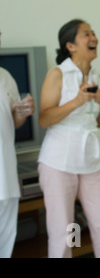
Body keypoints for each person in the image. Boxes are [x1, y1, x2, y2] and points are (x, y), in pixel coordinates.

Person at [37, 19, 100, 258]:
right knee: (62, 232)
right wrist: (76, 102)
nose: (94, 38)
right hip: (58, 162)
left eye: (94, 33)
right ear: (70, 45)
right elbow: (44, 119)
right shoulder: (57, 75)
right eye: (86, 34)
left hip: (91, 161)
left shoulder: (98, 78)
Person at [0, 31, 35, 257]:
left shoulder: (5, 76)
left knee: (5, 243)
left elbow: (13, 122)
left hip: (6, 176)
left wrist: (23, 112)